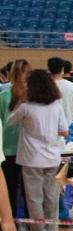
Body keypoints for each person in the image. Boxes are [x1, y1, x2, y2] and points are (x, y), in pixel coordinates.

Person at [7, 70, 69, 231]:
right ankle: (51, 228)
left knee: (34, 197)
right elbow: (64, 131)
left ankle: (39, 230)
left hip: (32, 158)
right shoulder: (56, 105)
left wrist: (20, 100)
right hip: (52, 156)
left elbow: (10, 121)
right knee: (51, 195)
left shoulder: (25, 107)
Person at [0, 59, 30, 212]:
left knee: (28, 191)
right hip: (9, 149)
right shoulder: (3, 95)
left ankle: (30, 221)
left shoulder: (33, 96)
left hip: (27, 149)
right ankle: (9, 220)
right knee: (10, 189)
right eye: (20, 73)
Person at [48, 57, 73, 124]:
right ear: (62, 70)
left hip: (51, 124)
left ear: (49, 69)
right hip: (69, 124)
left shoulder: (46, 86)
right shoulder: (72, 86)